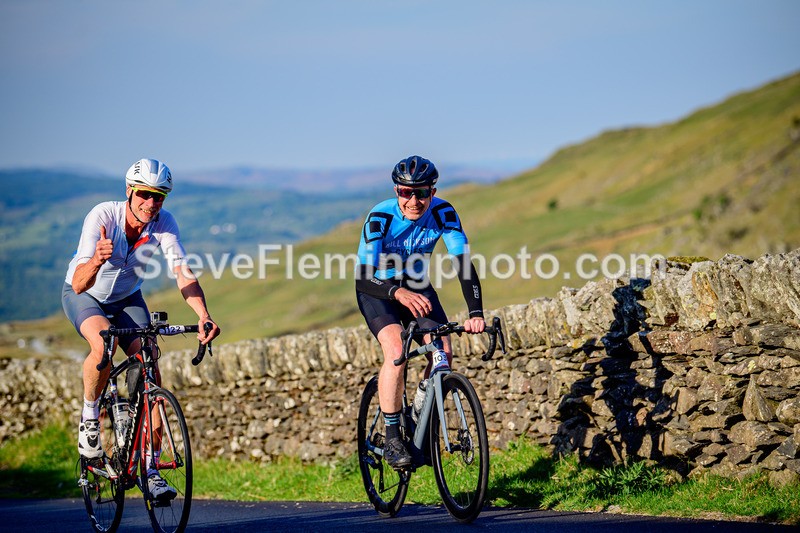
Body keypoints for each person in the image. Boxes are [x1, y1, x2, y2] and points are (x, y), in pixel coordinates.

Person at [62, 158, 220, 500]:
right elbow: (77, 284)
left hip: (127, 298)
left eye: (159, 196)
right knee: (103, 345)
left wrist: (204, 314)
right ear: (130, 191)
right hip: (87, 296)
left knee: (150, 371)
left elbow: (182, 273)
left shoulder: (165, 224)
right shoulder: (103, 216)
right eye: (145, 194)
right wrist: (96, 260)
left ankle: (150, 469)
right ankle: (90, 418)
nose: (151, 203)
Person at [355, 155, 485, 469]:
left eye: (422, 193)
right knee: (397, 349)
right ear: (396, 191)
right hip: (378, 290)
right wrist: (396, 291)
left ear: (433, 191)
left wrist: (476, 311)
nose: (413, 200)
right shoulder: (380, 217)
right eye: (405, 192)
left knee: (443, 353)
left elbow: (463, 264)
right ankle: (392, 435)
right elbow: (363, 276)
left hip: (417, 286)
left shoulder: (444, 212)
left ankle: (418, 418)